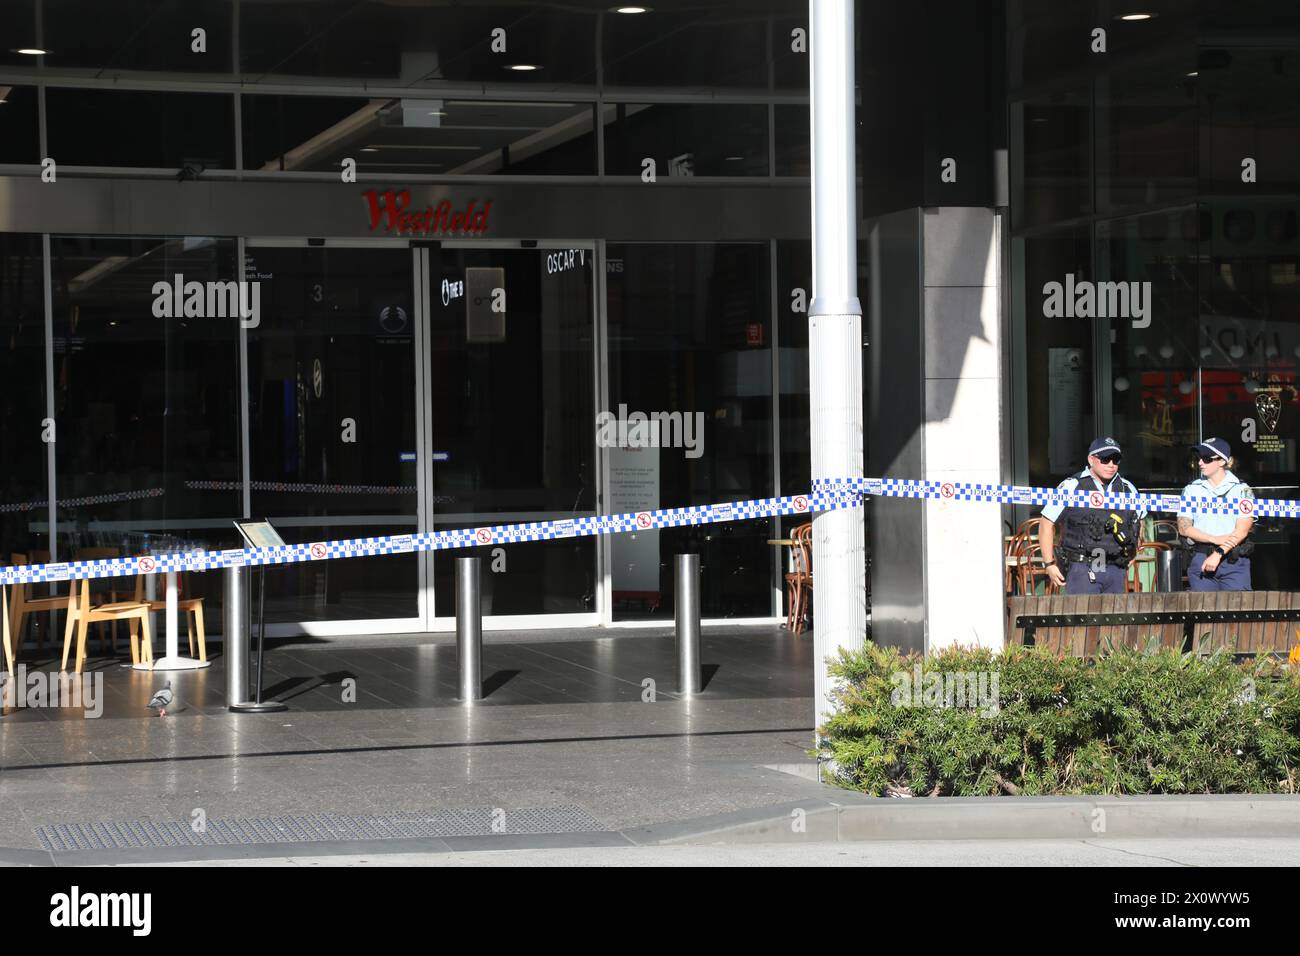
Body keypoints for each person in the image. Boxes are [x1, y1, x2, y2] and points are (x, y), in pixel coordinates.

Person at [1038, 437, 1146, 594]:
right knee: (1084, 617)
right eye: (1105, 459)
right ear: (1091, 459)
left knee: (1116, 618)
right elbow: (1046, 523)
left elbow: (1139, 522)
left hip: (1116, 567)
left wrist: (1133, 553)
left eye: (1115, 460)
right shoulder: (1072, 486)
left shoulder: (1127, 488)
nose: (1111, 465)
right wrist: (1049, 564)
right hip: (1082, 568)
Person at [1178, 437, 1255, 591]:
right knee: (1203, 612)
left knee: (1238, 611)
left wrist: (1218, 552)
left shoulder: (1242, 490)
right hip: (1200, 558)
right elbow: (1184, 528)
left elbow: (1242, 530)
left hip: (1233, 561)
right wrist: (1213, 539)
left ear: (1222, 461)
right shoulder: (1191, 489)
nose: (1200, 462)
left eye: (1206, 459)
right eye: (1199, 458)